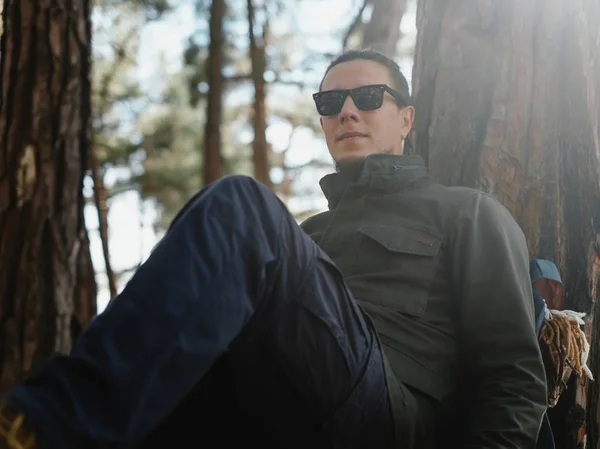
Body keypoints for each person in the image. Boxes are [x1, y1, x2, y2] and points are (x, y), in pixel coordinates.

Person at [0, 49, 547, 449]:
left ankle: (44, 429)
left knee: (240, 204)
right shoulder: (304, 239)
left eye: (368, 97)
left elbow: (512, 379)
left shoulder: (466, 213)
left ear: (405, 118)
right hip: (271, 406)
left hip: (386, 415)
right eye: (330, 101)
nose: (347, 111)